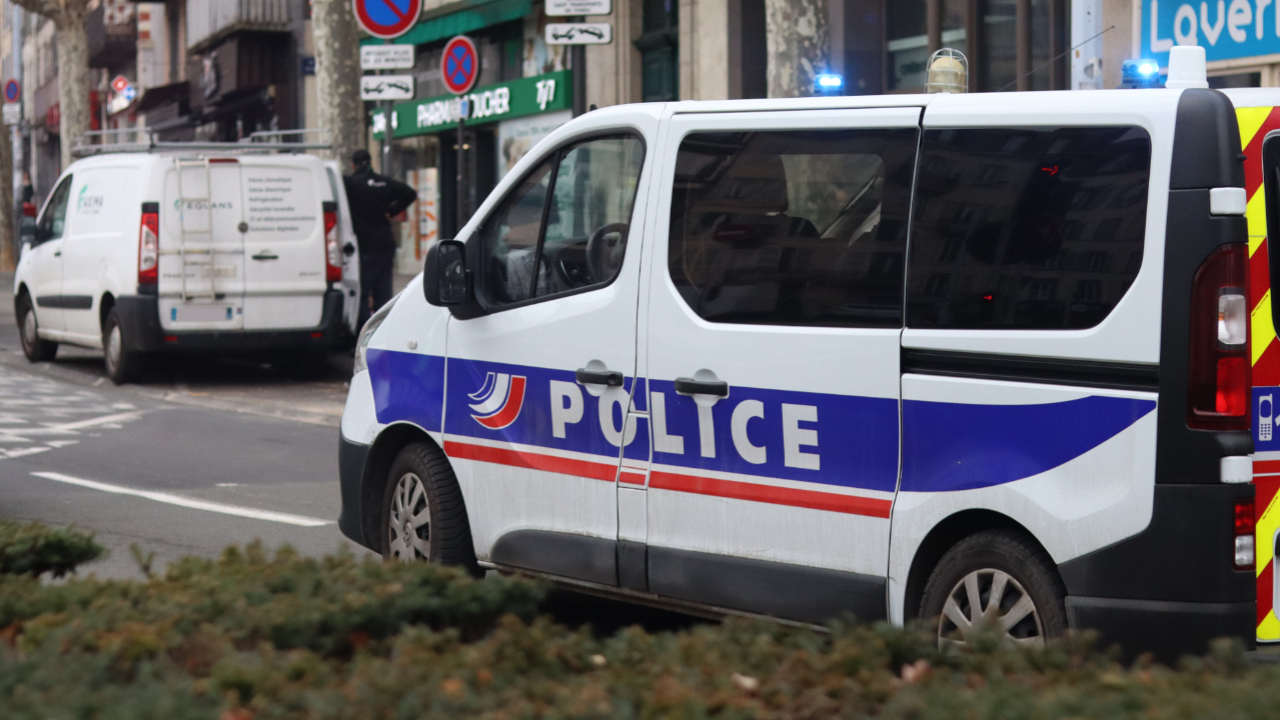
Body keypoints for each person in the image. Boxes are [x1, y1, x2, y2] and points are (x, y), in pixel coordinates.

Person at [343, 149, 418, 329]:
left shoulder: (350, 184)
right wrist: (391, 211)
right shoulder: (384, 182)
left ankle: (362, 334)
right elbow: (410, 193)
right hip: (385, 245)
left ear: (353, 165)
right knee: (383, 293)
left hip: (364, 246)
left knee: (362, 292)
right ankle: (382, 331)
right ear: (370, 163)